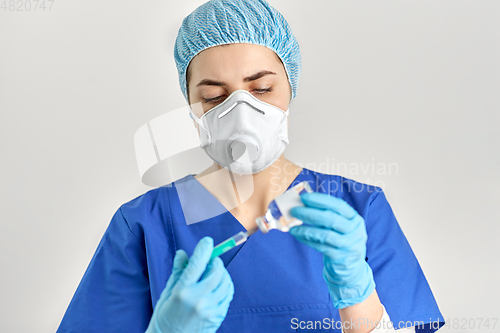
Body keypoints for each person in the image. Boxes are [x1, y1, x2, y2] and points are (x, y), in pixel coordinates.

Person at [56, 1, 445, 332]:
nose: (241, 112)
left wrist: (360, 299)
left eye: (261, 90)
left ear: (291, 88)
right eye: (214, 96)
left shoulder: (356, 208)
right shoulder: (145, 224)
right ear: (191, 107)